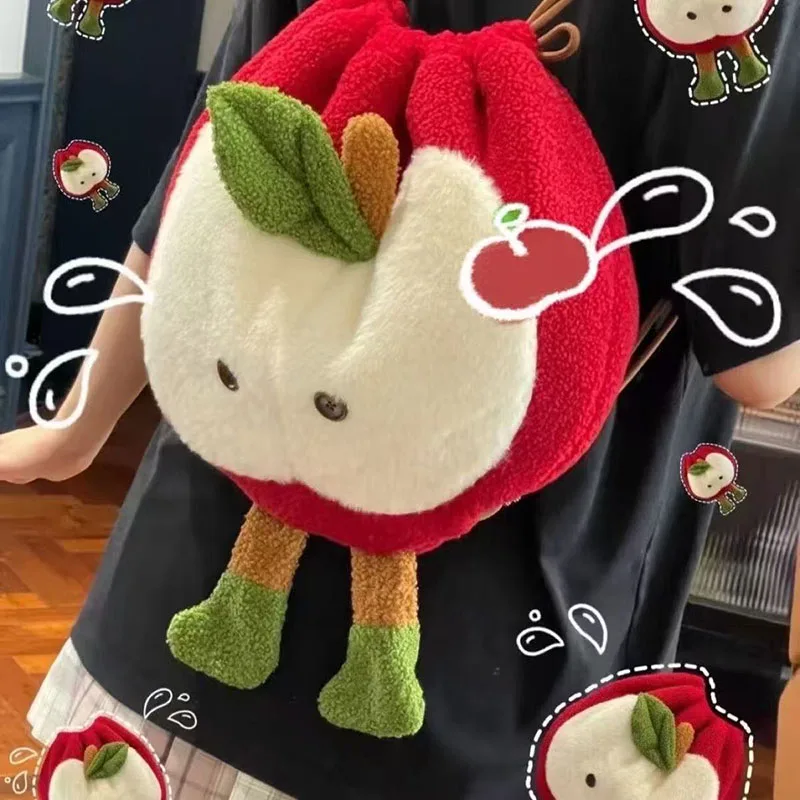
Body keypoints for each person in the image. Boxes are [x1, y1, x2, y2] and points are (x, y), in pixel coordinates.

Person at [2, 0, 799, 797]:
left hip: (186, 583)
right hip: (480, 660)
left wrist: (77, 427)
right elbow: (758, 364)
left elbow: (202, 185)